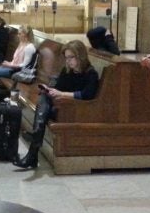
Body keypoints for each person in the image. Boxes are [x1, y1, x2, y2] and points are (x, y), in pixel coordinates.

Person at [13, 40, 99, 169]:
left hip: (76, 110)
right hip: (61, 105)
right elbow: (59, 87)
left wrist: (62, 94)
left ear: (80, 56)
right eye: (66, 58)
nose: (68, 61)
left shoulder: (90, 74)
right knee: (44, 97)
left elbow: (87, 95)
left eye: (71, 57)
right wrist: (51, 90)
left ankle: (34, 146)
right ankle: (33, 149)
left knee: (44, 104)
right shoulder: (67, 71)